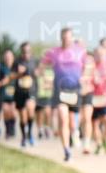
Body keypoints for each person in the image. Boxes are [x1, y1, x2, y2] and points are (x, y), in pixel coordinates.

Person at [38, 28, 88, 161]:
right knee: (63, 117)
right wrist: (44, 77)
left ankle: (75, 132)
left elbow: (87, 66)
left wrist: (84, 77)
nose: (67, 40)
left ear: (72, 38)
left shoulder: (80, 51)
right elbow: (41, 67)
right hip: (60, 90)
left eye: (69, 38)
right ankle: (67, 150)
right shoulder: (54, 52)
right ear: (61, 38)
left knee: (72, 123)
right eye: (64, 38)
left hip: (75, 90)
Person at [90, 43, 106, 154]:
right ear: (94, 55)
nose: (99, 56)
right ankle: (98, 144)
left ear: (105, 54)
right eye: (97, 54)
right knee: (94, 123)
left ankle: (105, 140)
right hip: (93, 98)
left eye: (102, 54)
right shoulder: (90, 66)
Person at [12, 42, 38, 147]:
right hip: (19, 92)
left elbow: (38, 73)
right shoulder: (17, 62)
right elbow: (12, 76)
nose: (26, 53)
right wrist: (19, 73)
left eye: (28, 51)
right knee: (23, 117)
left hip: (31, 91)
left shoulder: (35, 61)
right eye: (24, 51)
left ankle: (30, 133)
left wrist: (32, 72)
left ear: (30, 51)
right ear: (21, 51)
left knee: (30, 110)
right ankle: (23, 137)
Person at [0, 49, 17, 140]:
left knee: (13, 112)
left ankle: (13, 127)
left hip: (15, 95)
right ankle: (8, 130)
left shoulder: (17, 67)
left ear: (13, 57)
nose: (8, 59)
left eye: (9, 57)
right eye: (6, 57)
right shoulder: (1, 68)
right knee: (6, 111)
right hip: (4, 94)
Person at [35, 60, 55, 140]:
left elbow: (52, 84)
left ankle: (47, 128)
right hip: (38, 96)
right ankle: (40, 129)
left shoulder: (49, 73)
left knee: (48, 113)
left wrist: (46, 80)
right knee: (39, 114)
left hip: (47, 96)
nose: (41, 67)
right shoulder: (36, 73)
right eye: (40, 66)